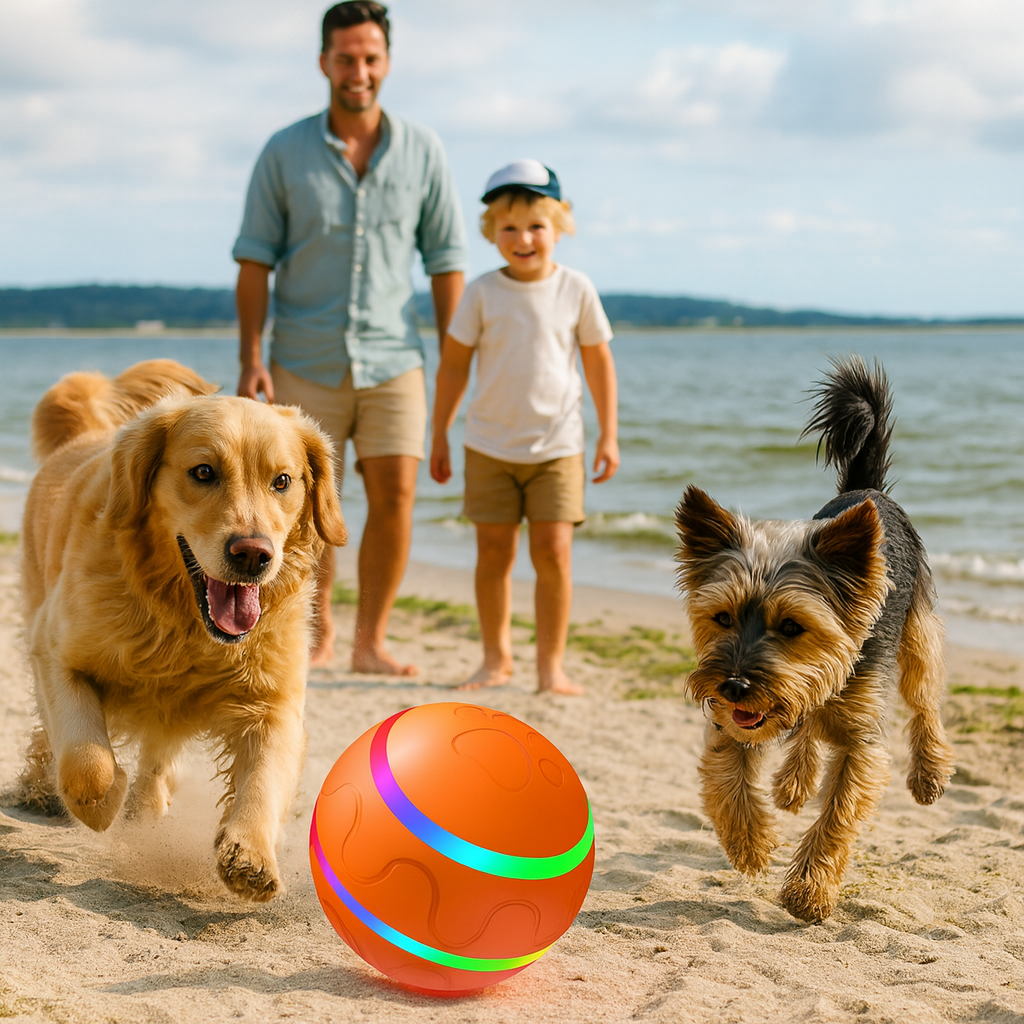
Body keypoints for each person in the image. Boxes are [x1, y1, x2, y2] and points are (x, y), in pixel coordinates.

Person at [232, 2, 467, 675]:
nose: (357, 71)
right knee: (306, 505)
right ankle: (318, 633)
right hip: (301, 359)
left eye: (369, 58)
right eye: (345, 59)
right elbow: (255, 261)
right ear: (323, 63)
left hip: (395, 360)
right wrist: (251, 358)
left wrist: (454, 360)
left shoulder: (424, 151)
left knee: (396, 498)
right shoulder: (283, 151)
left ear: (386, 62)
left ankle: (370, 641)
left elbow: (446, 262)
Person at [430, 160, 619, 695]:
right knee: (493, 554)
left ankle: (550, 667)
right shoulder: (481, 292)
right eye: (508, 227)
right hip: (488, 446)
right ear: (491, 232)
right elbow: (453, 367)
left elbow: (599, 364)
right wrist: (439, 433)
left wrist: (608, 434)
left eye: (536, 226)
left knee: (554, 554)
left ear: (559, 226)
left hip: (558, 447)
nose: (523, 238)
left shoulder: (576, 289)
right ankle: (495, 660)